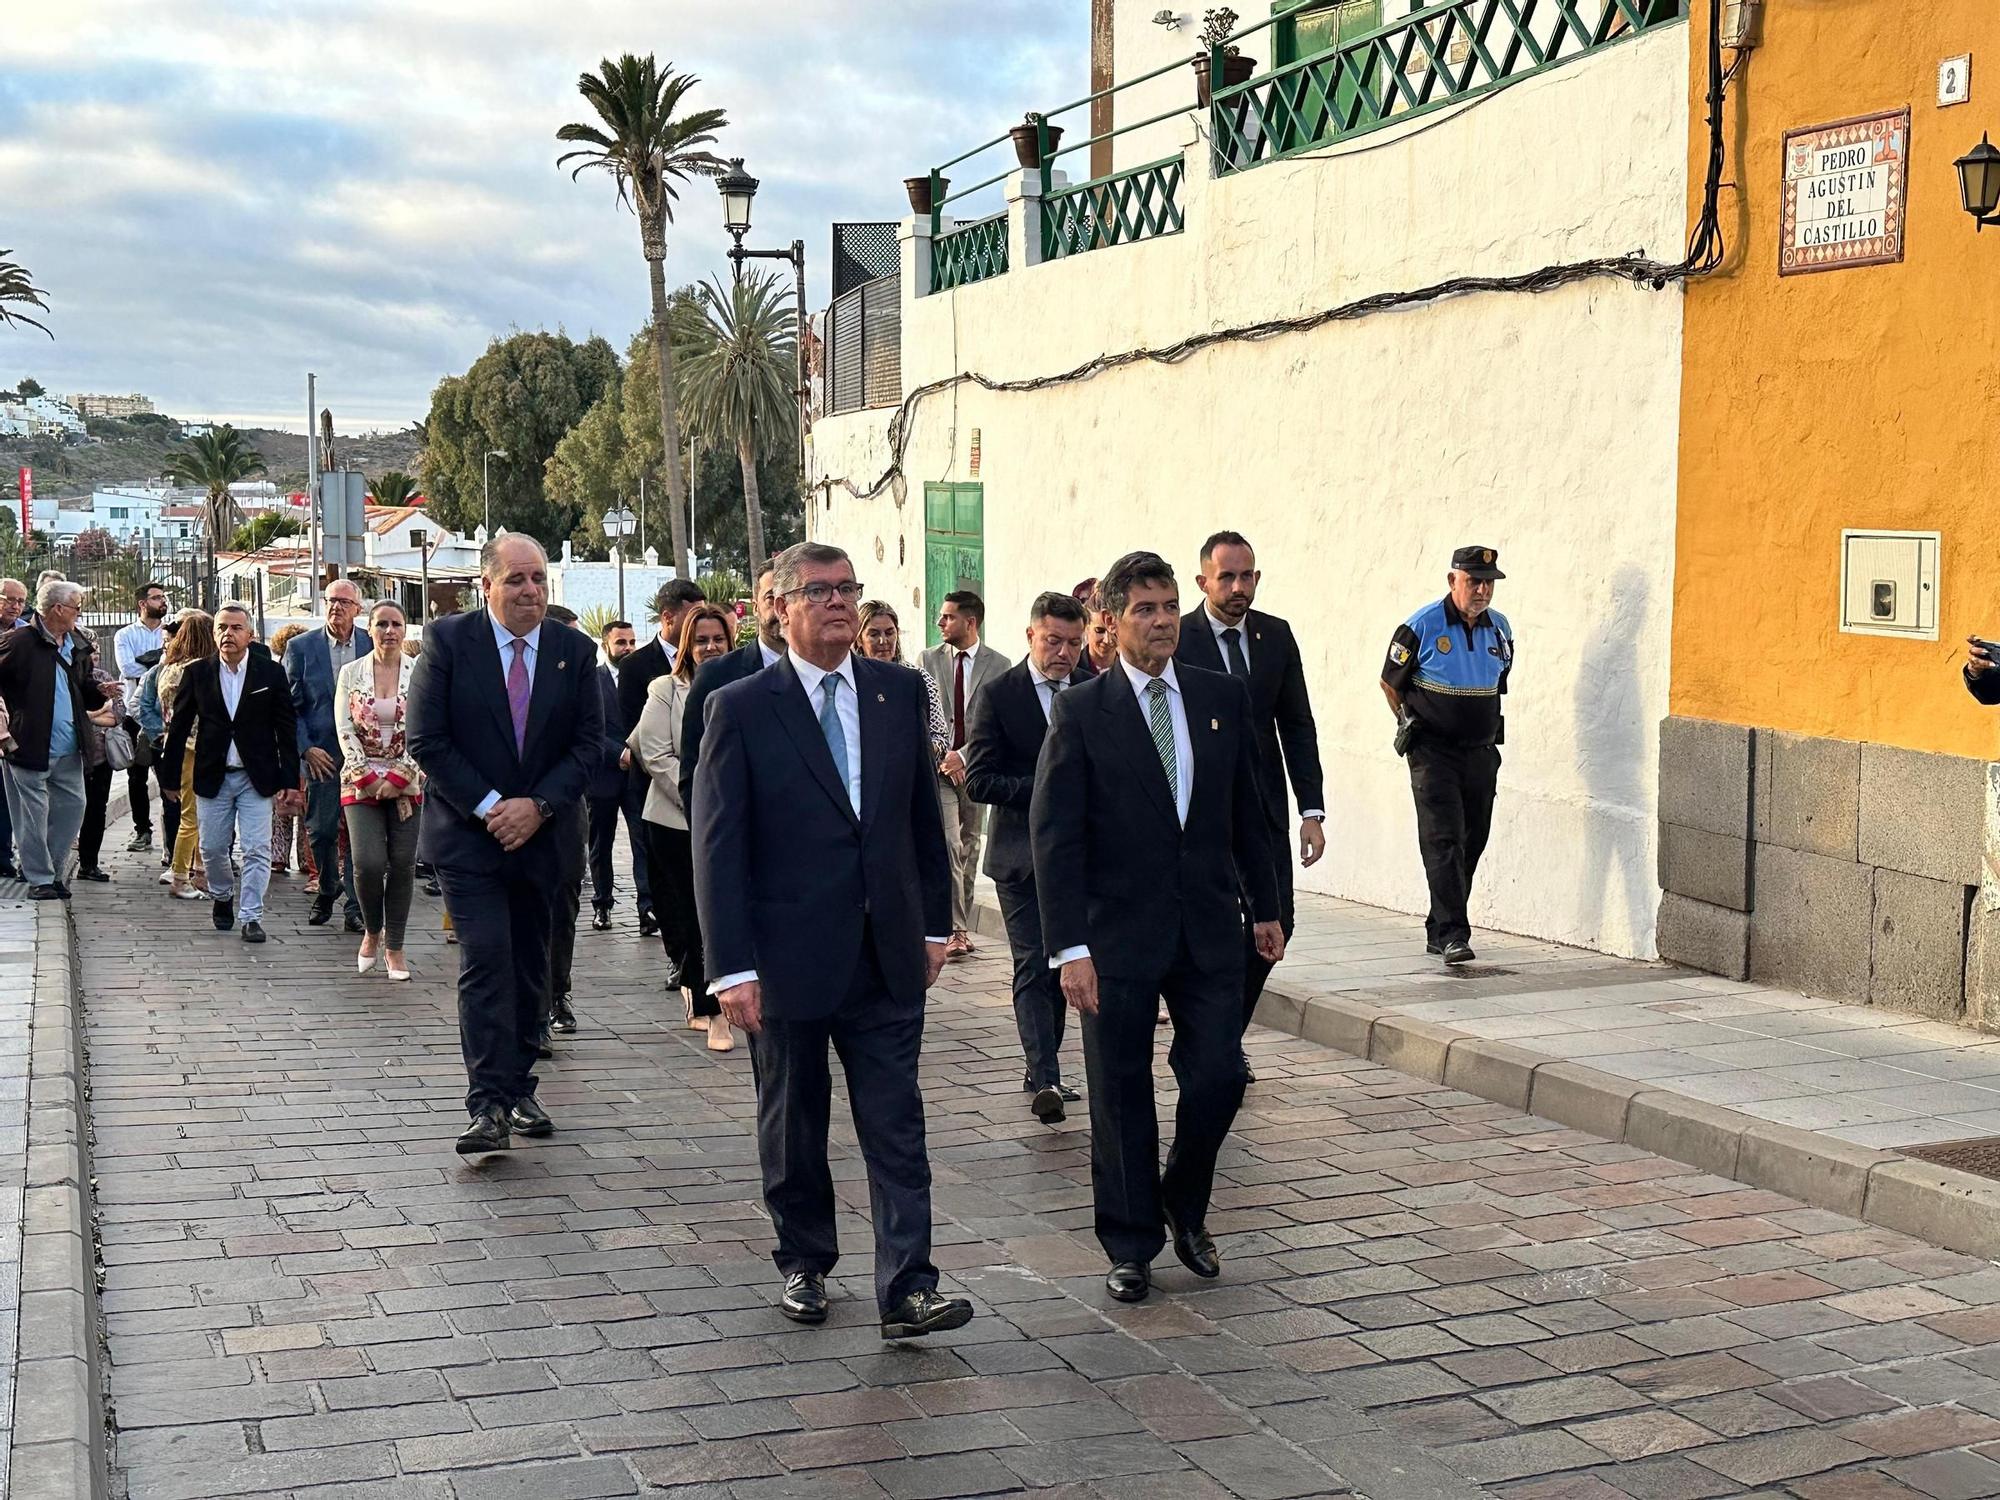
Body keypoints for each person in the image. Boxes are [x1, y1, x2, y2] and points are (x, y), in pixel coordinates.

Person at [693, 541, 970, 1342]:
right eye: (819, 591)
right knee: (794, 1118)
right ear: (778, 607)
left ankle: (909, 1286)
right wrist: (732, 968)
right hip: (785, 959)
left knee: (896, 1122)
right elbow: (719, 846)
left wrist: (931, 925)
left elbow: (922, 818)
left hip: (884, 953)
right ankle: (805, 1260)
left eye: (849, 588)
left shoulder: (895, 692)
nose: (840, 602)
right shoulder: (741, 706)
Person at [1031, 550, 1282, 1305]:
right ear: (1110, 621)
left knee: (1220, 1075)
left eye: (1170, 605)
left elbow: (1248, 811)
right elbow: (1056, 838)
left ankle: (1182, 1198)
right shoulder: (1081, 712)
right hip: (1116, 937)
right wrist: (1069, 948)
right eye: (1144, 609)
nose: (1164, 619)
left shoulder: (1219, 696)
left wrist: (1264, 907)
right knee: (1119, 1092)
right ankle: (1131, 1243)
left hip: (1208, 927)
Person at [407, 536, 601, 1156]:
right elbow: (427, 739)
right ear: (486, 586)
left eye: (539, 579)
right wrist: (494, 807)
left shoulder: (575, 651)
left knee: (529, 966)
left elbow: (589, 745)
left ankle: (519, 1088)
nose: (530, 591)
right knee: (487, 958)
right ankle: (487, 1102)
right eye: (516, 579)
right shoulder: (448, 644)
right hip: (470, 838)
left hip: (544, 839)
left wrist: (538, 806)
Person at [1175, 531, 1325, 1078]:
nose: (1240, 588)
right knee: (1219, 927)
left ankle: (1219, 1038)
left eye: (1249, 576)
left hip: (1263, 808)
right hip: (1202, 811)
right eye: (1228, 577)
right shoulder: (1179, 637)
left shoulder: (1275, 637)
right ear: (1203, 582)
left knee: (1275, 922)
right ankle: (1211, 1042)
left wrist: (1313, 809)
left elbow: (1297, 725)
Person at [964, 591, 1093, 1123]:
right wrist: (1043, 786)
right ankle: (1045, 1076)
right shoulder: (999, 694)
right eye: (1053, 641)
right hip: (1020, 858)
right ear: (1030, 637)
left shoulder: (1092, 690)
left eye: (1073, 642)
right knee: (1033, 964)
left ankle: (1045, 1064)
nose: (1063, 652)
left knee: (1067, 963)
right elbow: (977, 779)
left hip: (1082, 859)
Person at [1380, 547, 1514, 965]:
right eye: (1473, 580)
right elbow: (1390, 681)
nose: (1482, 589)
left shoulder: (1500, 629)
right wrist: (1409, 722)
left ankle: (1439, 927)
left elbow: (1501, 679)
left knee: (1473, 839)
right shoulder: (1421, 626)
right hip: (1433, 753)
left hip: (1480, 753)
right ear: (1452, 580)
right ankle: (1455, 933)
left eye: (1488, 581)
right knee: (1443, 840)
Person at [630, 601, 736, 1048]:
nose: (710, 647)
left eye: (718, 639)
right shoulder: (665, 689)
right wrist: (702, 799)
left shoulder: (750, 684)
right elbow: (654, 753)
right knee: (693, 916)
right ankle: (711, 1011)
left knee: (726, 913)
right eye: (701, 640)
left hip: (733, 821)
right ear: (687, 645)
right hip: (676, 822)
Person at [161, 602, 300, 942]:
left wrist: (289, 780)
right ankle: (222, 895)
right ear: (213, 634)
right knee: (211, 848)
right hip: (213, 775)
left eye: (236, 628)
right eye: (222, 627)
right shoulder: (198, 673)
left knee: (257, 848)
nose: (228, 634)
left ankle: (252, 915)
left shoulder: (270, 673)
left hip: (256, 777)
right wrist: (168, 778)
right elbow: (178, 728)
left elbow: (286, 729)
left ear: (250, 635)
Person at [0, 579, 113, 899]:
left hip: (69, 747)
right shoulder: (18, 642)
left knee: (74, 807)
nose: (80, 613)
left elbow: (84, 689)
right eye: (77, 607)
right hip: (27, 746)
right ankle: (41, 879)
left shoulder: (77, 643)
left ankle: (45, 867)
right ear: (58, 609)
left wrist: (99, 692)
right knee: (32, 817)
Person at [920, 591, 1011, 959]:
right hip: (939, 768)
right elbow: (924, 714)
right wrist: (944, 756)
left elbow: (999, 725)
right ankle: (955, 929)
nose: (940, 623)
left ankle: (961, 922)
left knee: (970, 846)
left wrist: (965, 756)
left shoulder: (999, 664)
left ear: (970, 622)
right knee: (949, 845)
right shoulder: (927, 659)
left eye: (948, 617)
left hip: (977, 769)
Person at [613, 580, 705, 934]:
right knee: (665, 877)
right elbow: (640, 735)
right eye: (692, 614)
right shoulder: (638, 666)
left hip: (713, 800)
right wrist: (689, 790)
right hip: (657, 792)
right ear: (669, 617)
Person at [336, 600, 422, 980]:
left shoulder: (420, 675)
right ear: (368, 629)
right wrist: (368, 778)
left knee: (402, 863)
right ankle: (372, 929)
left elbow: (427, 731)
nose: (389, 631)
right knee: (368, 862)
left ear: (406, 630)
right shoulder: (351, 672)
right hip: (361, 780)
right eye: (382, 624)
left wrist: (400, 778)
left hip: (408, 780)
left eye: (397, 624)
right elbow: (343, 727)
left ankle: (395, 947)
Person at [285, 579, 370, 932]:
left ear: (357, 609)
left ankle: (354, 904)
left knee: (357, 832)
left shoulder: (371, 642)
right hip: (322, 755)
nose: (336, 607)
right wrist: (306, 747)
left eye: (344, 602)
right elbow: (289, 707)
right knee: (320, 830)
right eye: (331, 601)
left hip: (365, 755)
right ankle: (328, 885)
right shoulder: (301, 647)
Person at [677, 567, 783, 811]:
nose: (781, 607)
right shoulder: (717, 676)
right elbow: (694, 774)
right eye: (771, 598)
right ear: (755, 606)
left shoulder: (828, 673)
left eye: (789, 597)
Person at [536, 602, 590, 1051]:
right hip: (503, 816)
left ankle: (557, 994)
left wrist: (547, 800)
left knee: (563, 910)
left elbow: (589, 742)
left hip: (565, 810)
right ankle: (530, 1009)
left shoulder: (579, 669)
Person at [588, 619, 647, 932]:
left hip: (639, 774)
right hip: (602, 776)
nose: (628, 648)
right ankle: (602, 905)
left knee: (643, 841)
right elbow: (589, 729)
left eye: (632, 642)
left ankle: (647, 909)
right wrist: (618, 753)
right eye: (621, 642)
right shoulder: (592, 681)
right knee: (601, 844)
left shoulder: (642, 678)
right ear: (605, 645)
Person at [157, 610, 216, 898]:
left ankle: (196, 869)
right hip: (195, 747)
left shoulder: (168, 667)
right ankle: (180, 875)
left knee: (188, 813)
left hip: (174, 744)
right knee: (192, 816)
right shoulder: (197, 669)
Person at [856, 600, 950, 763]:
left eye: (889, 632)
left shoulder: (918, 678)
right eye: (874, 634)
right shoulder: (850, 680)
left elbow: (940, 737)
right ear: (858, 639)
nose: (883, 641)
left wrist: (915, 751)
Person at [114, 581, 170, 852]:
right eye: (157, 598)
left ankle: (172, 835)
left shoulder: (172, 632)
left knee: (167, 775)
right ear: (142, 603)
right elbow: (127, 667)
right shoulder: (125, 634)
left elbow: (174, 663)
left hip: (164, 716)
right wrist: (158, 664)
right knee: (136, 776)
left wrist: (148, 662)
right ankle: (142, 830)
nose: (162, 601)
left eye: (163, 597)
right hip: (134, 714)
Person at [266, 623, 318, 880]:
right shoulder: (307, 668)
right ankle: (306, 859)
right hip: (300, 745)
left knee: (282, 808)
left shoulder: (275, 670)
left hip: (283, 747)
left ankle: (278, 856)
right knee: (305, 807)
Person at [0, 579, 28, 875]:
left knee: (7, 796)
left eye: (21, 601)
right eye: (10, 599)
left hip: (15, 722)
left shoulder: (24, 632)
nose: (15, 606)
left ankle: (5, 856)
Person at [1083, 588, 1120, 677]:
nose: (1108, 640)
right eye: (1099, 631)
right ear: (1086, 628)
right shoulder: (1069, 670)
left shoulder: (1134, 671)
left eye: (1114, 630)